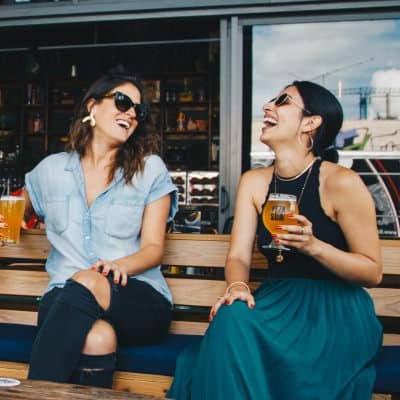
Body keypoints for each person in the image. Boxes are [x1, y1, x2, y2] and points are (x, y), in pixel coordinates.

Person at [167, 81, 382, 399]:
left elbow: (372, 272)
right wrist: (237, 286)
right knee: (231, 317)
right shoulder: (254, 182)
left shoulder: (341, 183)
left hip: (333, 312)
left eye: (282, 101)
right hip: (277, 300)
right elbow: (239, 256)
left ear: (310, 123)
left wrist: (314, 247)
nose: (268, 106)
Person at [22, 65, 178, 388]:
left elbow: (153, 249)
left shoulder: (150, 170)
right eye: (122, 101)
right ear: (92, 106)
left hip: (135, 296)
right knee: (97, 338)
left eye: (139, 109)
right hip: (64, 299)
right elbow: (14, 211)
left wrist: (117, 265)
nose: (132, 113)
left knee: (89, 281)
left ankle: (30, 394)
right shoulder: (51, 171)